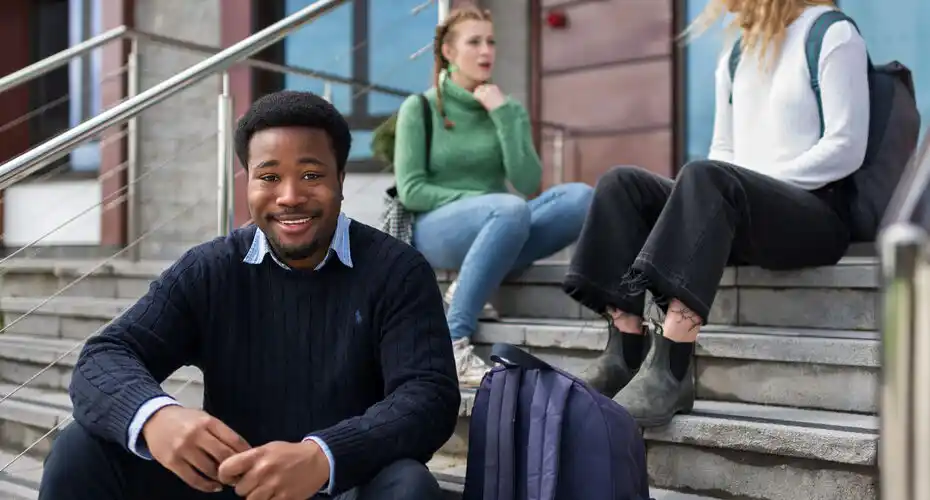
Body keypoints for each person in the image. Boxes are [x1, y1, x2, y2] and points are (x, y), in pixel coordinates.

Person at [39, 90, 461, 499]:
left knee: (409, 484)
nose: (290, 196)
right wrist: (156, 417)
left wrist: (322, 457)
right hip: (230, 484)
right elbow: (103, 357)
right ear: (248, 182)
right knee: (82, 448)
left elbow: (428, 396)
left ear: (341, 179)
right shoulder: (210, 269)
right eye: (269, 177)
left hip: (341, 486)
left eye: (311, 175)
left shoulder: (397, 271)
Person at [562, 0, 868, 428]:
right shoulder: (738, 52)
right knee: (622, 185)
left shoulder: (832, 34)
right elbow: (723, 150)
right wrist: (717, 195)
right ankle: (625, 349)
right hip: (745, 212)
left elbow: (845, 148)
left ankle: (672, 365)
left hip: (814, 213)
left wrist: (752, 184)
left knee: (710, 177)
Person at [392, 5, 593, 387]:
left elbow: (528, 179)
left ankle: (479, 276)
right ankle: (451, 339)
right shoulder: (419, 109)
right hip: (438, 230)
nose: (486, 50)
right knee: (509, 209)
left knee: (581, 199)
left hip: (502, 221)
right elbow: (412, 191)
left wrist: (504, 115)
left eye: (491, 41)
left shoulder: (506, 107)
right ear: (449, 52)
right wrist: (480, 200)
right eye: (474, 42)